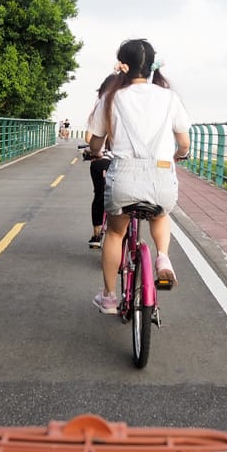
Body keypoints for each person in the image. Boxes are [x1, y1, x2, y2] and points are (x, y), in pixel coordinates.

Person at [86, 38, 191, 314]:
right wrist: (179, 154)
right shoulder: (169, 98)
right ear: (152, 67)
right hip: (161, 176)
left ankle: (109, 297)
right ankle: (163, 258)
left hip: (124, 179)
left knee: (115, 232)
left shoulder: (111, 97)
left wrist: (95, 152)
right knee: (160, 214)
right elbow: (184, 142)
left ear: (123, 65)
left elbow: (96, 143)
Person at [85, 74, 118, 249]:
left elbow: (90, 137)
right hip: (130, 163)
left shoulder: (103, 105)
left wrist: (93, 151)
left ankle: (96, 234)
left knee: (100, 194)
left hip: (102, 161)